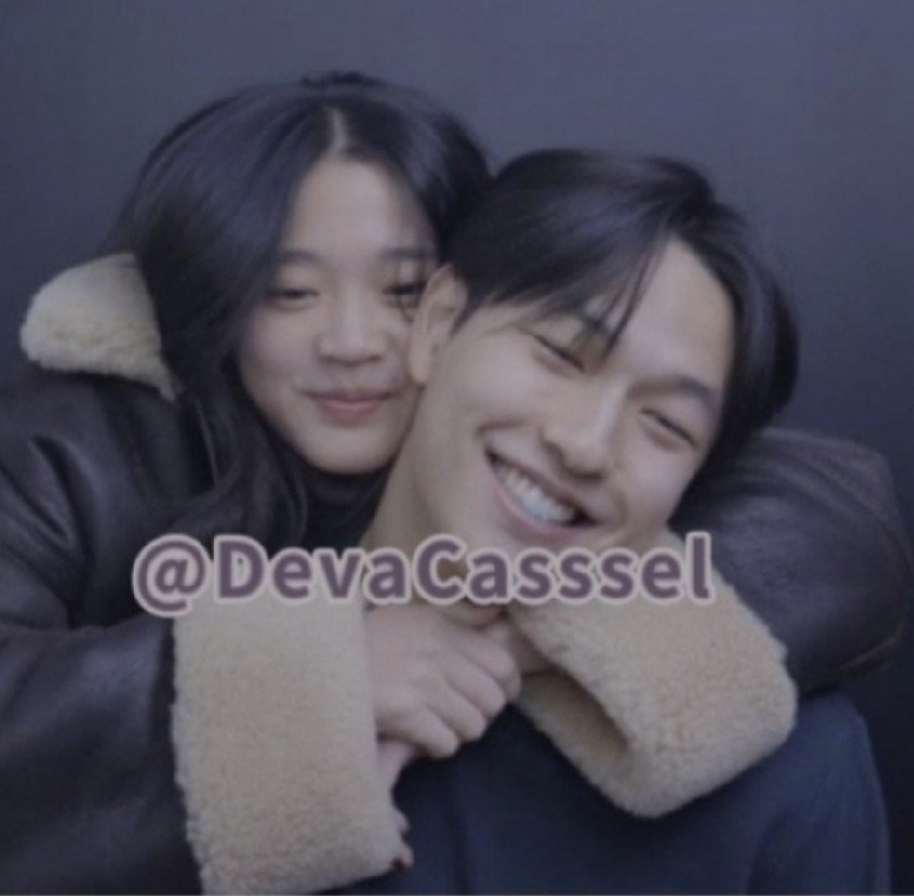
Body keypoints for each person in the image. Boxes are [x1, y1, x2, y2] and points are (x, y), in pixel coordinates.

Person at [0, 75, 908, 893]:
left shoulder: (791, 768)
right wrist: (318, 670)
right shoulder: (106, 454)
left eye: (398, 289)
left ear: (439, 306)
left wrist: (520, 637)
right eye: (289, 290)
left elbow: (835, 529)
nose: (355, 344)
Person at [177, 148, 889, 893]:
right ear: (438, 323)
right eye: (560, 353)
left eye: (665, 424)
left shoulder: (790, 776)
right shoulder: (198, 652)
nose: (585, 444)